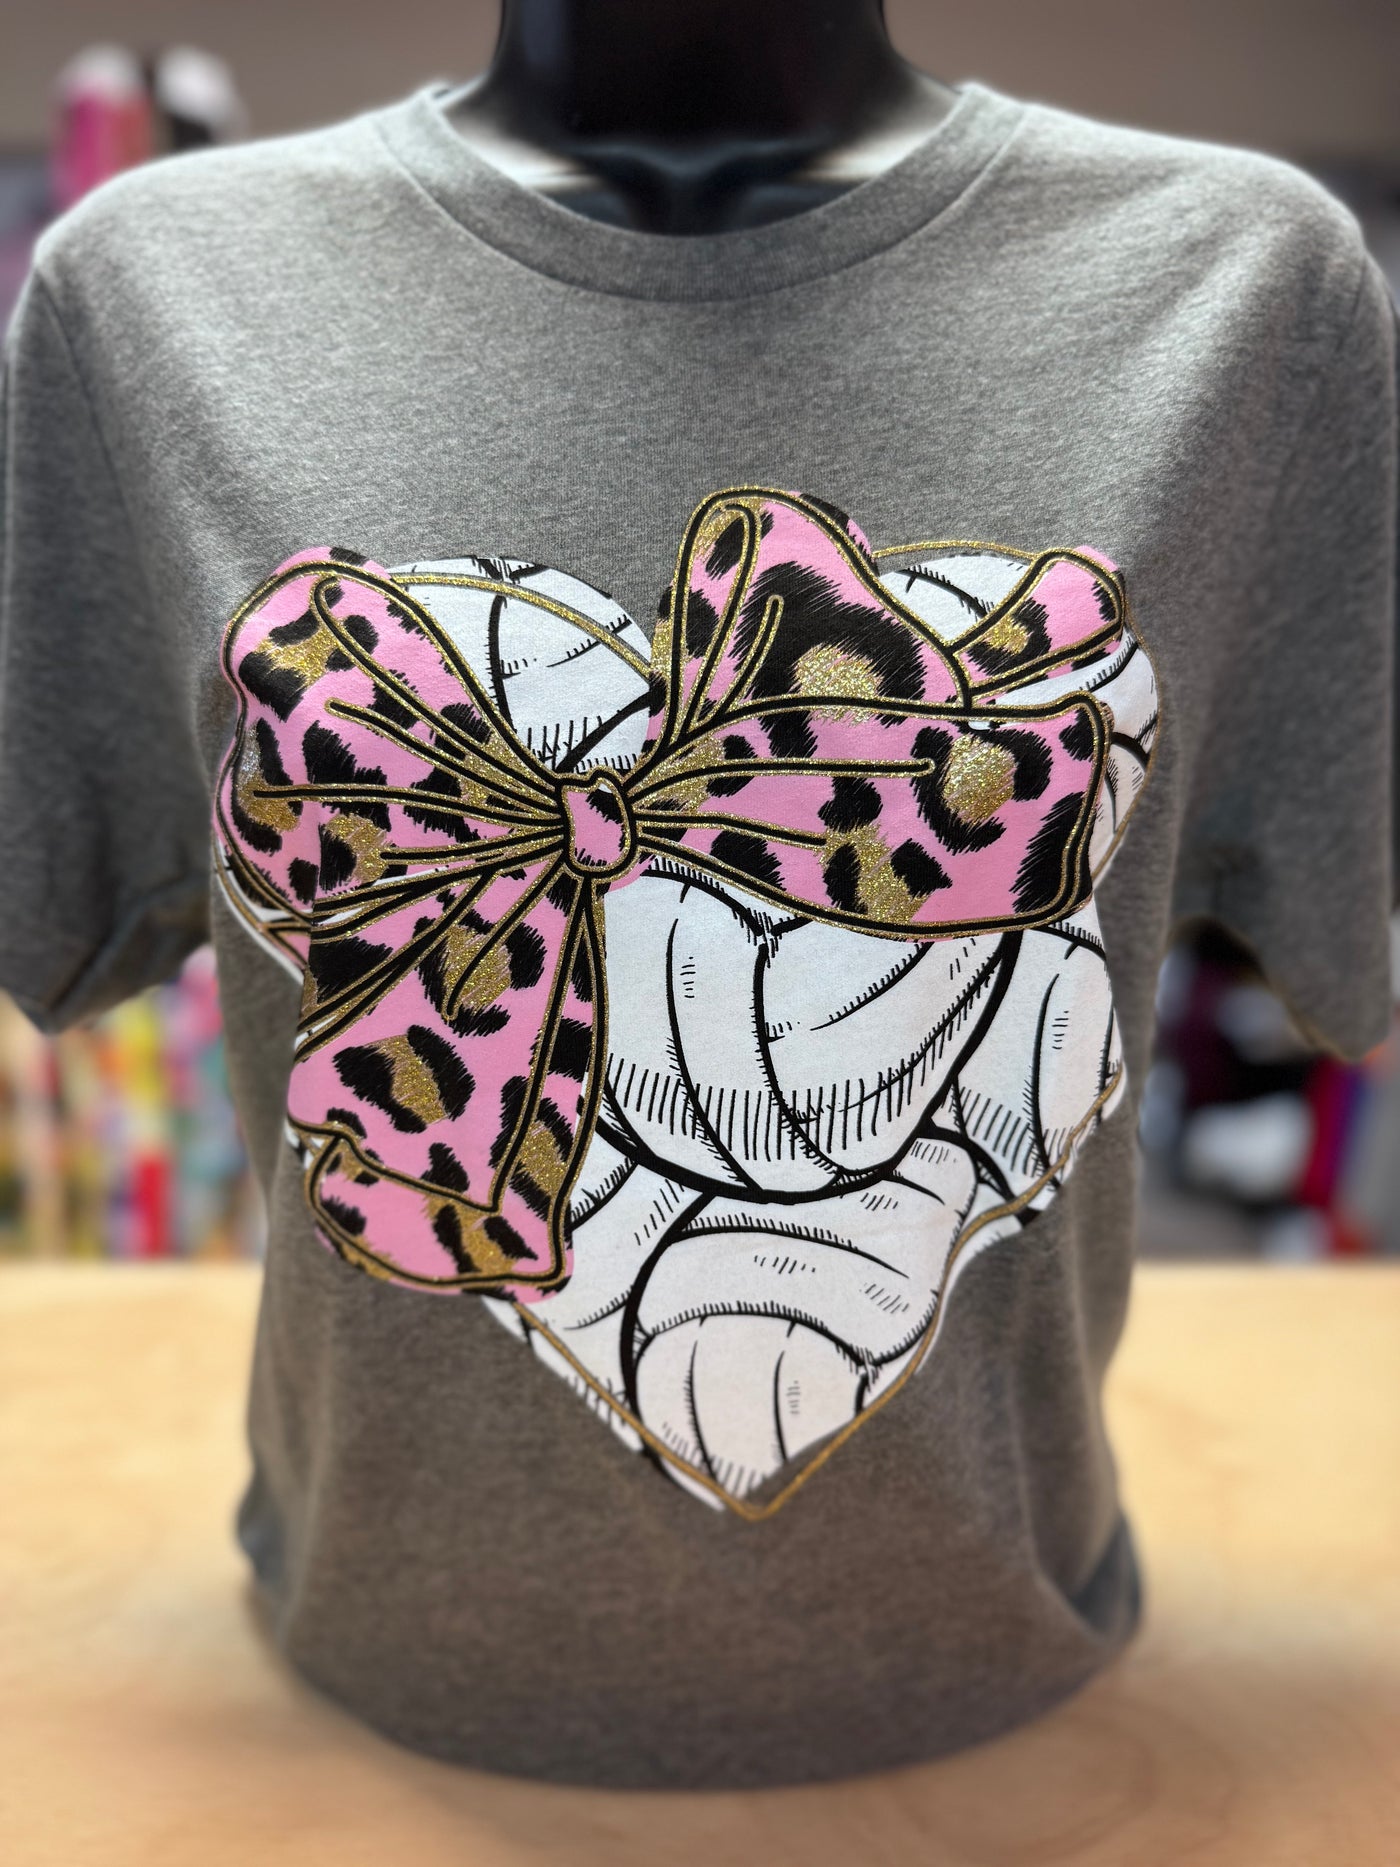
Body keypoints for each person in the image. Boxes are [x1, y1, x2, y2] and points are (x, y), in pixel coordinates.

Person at [1, 0, 1395, 1789]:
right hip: (349, 1711)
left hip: (1025, 1697)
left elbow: (1295, 940)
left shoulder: (1247, 292)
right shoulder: (149, 297)